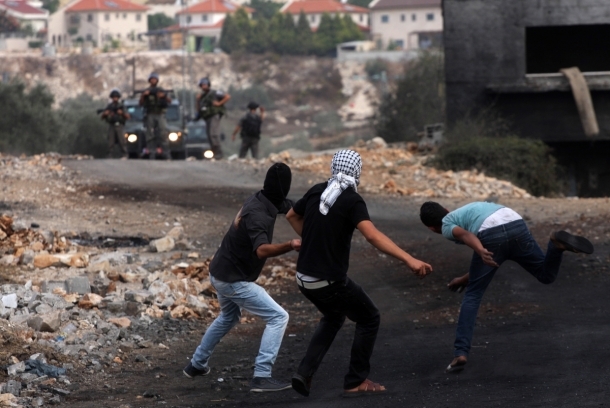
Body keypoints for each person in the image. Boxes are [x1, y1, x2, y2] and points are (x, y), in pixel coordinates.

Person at [286, 149, 433, 398]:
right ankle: (355, 381)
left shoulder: (316, 190)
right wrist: (409, 259)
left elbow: (291, 214)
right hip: (327, 281)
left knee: (333, 317)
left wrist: (313, 239)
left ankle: (304, 373)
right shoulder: (352, 200)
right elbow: (372, 235)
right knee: (369, 317)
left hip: (303, 278)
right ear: (357, 171)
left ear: (334, 167)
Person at [419, 201, 594, 373]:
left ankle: (460, 353)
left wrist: (480, 250)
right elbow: (487, 260)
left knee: (473, 296)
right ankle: (556, 246)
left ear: (432, 228)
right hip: (514, 221)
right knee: (545, 275)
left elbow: (465, 235)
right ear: (446, 209)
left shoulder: (446, 225)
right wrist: (466, 278)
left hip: (490, 234)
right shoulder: (464, 211)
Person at [183, 163, 299, 392]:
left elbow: (289, 206)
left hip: (220, 271)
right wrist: (290, 244)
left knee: (228, 316)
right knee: (278, 317)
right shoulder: (257, 214)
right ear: (284, 188)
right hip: (232, 280)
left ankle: (196, 364)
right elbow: (262, 250)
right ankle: (262, 376)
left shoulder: (262, 198)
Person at [139, 72, 171, 159]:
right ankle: (152, 153)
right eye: (152, 79)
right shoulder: (147, 91)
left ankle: (166, 153)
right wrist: (143, 95)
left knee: (163, 134)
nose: (153, 81)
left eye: (155, 79)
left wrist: (163, 96)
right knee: (150, 135)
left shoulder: (161, 90)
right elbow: (140, 104)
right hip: (150, 114)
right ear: (149, 80)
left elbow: (169, 101)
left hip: (160, 114)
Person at [196, 77, 230, 160]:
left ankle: (219, 153)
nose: (203, 86)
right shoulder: (202, 96)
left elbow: (227, 96)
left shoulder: (215, 93)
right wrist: (197, 100)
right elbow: (198, 109)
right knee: (209, 135)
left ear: (208, 85)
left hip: (214, 115)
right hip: (207, 117)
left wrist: (219, 103)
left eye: (205, 84)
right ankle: (215, 153)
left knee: (213, 134)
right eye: (202, 85)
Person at [101, 89, 130, 158]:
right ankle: (109, 155)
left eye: (116, 97)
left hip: (120, 125)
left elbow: (128, 117)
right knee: (110, 141)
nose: (115, 98)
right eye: (114, 97)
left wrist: (122, 113)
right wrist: (105, 114)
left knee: (122, 141)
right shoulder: (109, 106)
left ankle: (124, 154)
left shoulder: (121, 106)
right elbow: (102, 117)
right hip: (112, 125)